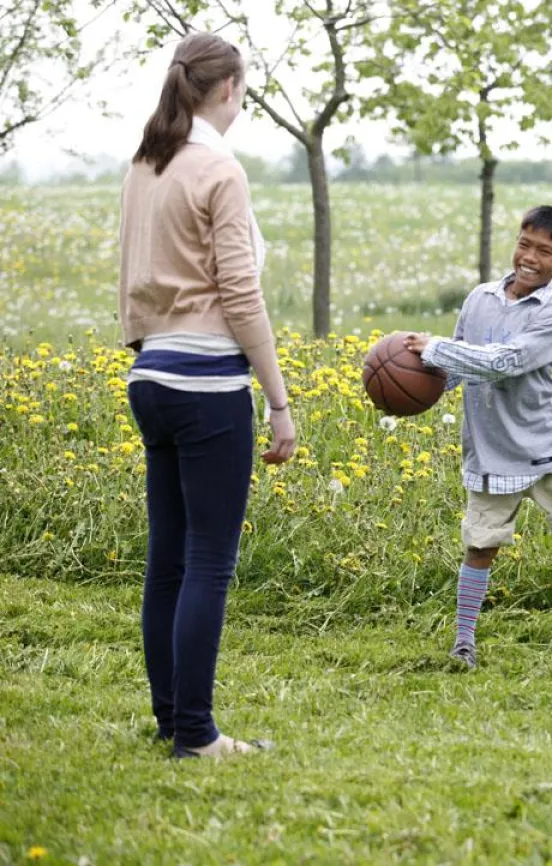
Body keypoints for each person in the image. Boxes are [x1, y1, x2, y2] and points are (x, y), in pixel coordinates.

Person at [120, 32, 296, 757]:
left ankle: (171, 720)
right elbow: (240, 294)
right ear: (228, 90)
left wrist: (147, 351)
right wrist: (279, 400)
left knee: (167, 562)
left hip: (150, 376)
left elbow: (130, 275)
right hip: (206, 383)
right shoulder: (219, 170)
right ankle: (195, 734)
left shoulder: (143, 164)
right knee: (209, 563)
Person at [403, 206, 552, 669]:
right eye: (525, 244)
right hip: (491, 449)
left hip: (545, 446)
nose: (530, 257)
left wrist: (436, 346)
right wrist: (419, 381)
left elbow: (503, 362)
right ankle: (464, 641)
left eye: (545, 251)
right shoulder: (479, 298)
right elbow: (459, 364)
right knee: (481, 544)